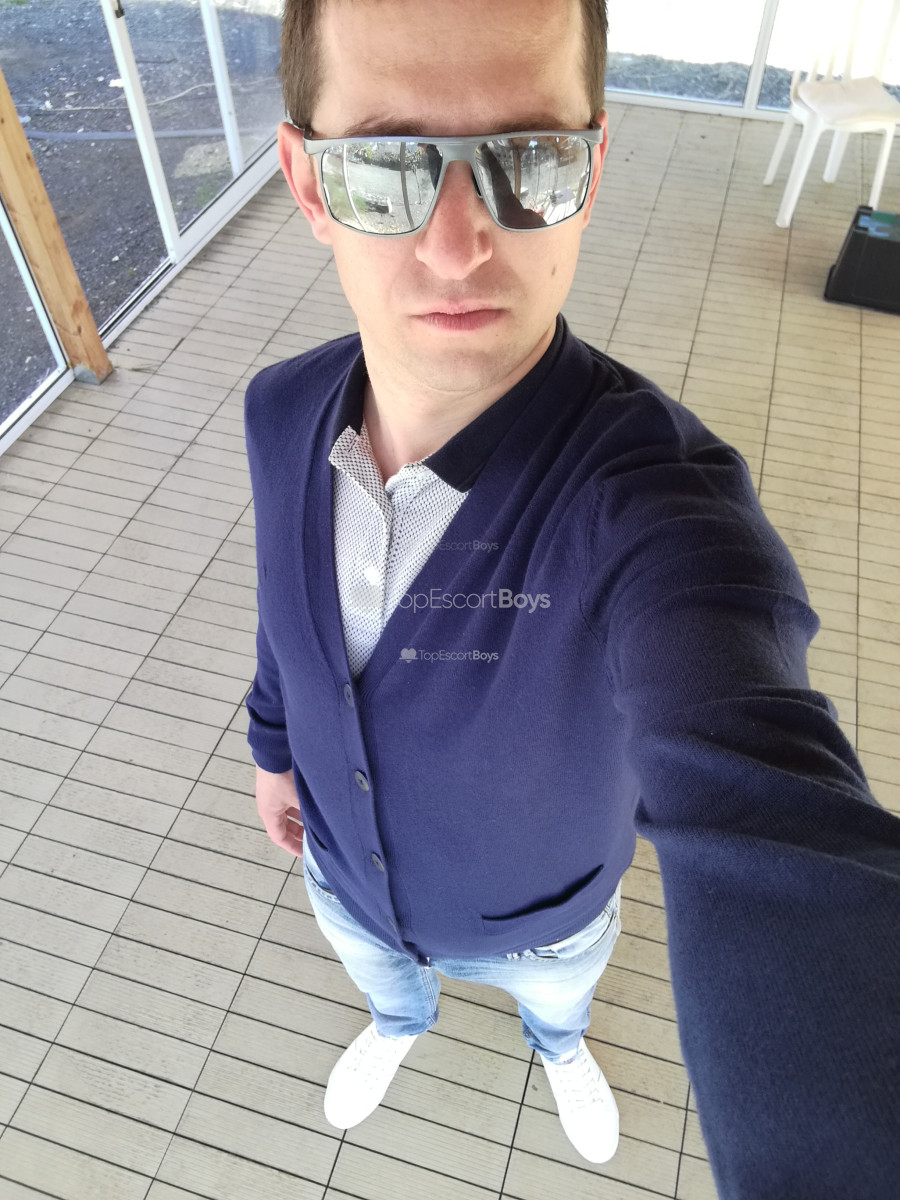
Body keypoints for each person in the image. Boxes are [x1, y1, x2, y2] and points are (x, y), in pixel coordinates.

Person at [243, 0, 900, 1192]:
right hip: (341, 880)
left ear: (591, 170)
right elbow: (284, 607)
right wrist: (273, 745)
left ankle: (559, 1043)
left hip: (546, 925)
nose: (457, 247)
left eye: (530, 160)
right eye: (385, 168)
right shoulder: (281, 409)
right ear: (305, 183)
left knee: (557, 997)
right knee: (385, 980)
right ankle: (398, 1019)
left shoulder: (656, 503)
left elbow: (763, 776)